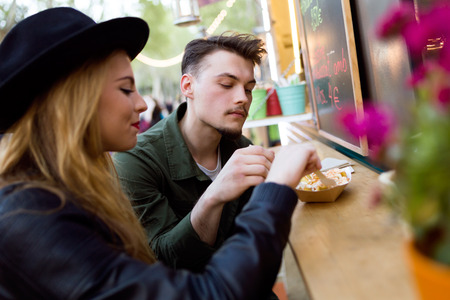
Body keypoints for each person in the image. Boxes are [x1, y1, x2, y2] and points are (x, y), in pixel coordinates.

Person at [0, 7, 323, 299]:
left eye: (249, 88)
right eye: (126, 88)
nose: (142, 104)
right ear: (70, 101)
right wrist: (274, 188)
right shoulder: (29, 215)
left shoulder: (71, 190)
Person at [113, 33, 276, 274]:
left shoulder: (240, 148)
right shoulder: (136, 159)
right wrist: (215, 194)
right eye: (227, 85)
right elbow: (162, 261)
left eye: (249, 88)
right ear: (188, 86)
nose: (243, 98)